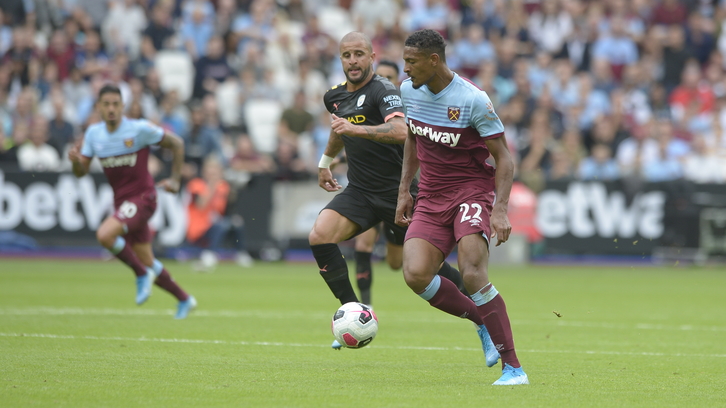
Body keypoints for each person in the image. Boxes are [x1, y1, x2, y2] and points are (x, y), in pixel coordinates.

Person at [308, 32, 476, 350]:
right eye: (347, 55)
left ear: (372, 58)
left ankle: (481, 311)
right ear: (340, 59)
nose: (353, 60)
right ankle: (354, 310)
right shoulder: (334, 96)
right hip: (359, 191)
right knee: (319, 236)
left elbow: (401, 130)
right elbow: (338, 130)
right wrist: (325, 161)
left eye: (360, 54)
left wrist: (357, 128)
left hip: (399, 193)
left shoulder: (383, 90)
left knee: (420, 267)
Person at [396, 29, 527, 385]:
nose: (405, 68)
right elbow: (412, 138)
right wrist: (405, 190)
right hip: (430, 196)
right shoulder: (408, 92)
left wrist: (499, 209)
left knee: (471, 270)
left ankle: (513, 368)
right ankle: (482, 321)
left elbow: (505, 159)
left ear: (433, 60)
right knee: (416, 274)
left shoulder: (473, 100)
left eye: (411, 61)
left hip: (470, 193)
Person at [68, 84, 196, 319]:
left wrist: (176, 180)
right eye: (106, 104)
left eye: (116, 104)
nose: (111, 109)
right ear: (98, 107)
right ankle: (184, 299)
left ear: (122, 106)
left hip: (144, 198)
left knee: (105, 235)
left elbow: (177, 143)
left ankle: (139, 274)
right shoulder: (94, 134)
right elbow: (81, 172)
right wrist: (76, 161)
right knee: (148, 260)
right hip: (123, 203)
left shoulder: (138, 130)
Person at [351, 59, 405, 306]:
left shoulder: (403, 111)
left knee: (396, 263)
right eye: (379, 76)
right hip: (367, 188)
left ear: (398, 82)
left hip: (394, 191)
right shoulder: (364, 107)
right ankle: (365, 309)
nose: (382, 82)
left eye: (388, 77)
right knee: (363, 242)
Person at [186, 155, 253, 270]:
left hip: (217, 225)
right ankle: (209, 254)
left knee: (236, 222)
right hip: (199, 229)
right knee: (221, 225)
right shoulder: (196, 184)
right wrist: (212, 184)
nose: (213, 171)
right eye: (210, 168)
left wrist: (233, 188)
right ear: (204, 170)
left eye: (216, 168)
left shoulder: (223, 187)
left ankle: (241, 253)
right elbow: (201, 205)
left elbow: (226, 210)